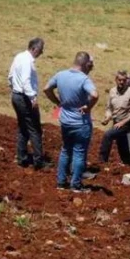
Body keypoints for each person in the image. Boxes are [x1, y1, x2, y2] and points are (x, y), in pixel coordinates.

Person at [43, 52, 98, 192]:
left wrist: (57, 102)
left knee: (66, 150)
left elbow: (46, 89)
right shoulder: (84, 79)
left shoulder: (60, 75)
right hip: (80, 122)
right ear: (85, 64)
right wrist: (88, 107)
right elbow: (95, 95)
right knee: (79, 152)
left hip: (65, 121)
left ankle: (61, 182)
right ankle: (76, 185)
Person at [8, 38, 46, 168]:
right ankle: (38, 161)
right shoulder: (27, 61)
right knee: (34, 129)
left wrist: (13, 88)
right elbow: (25, 81)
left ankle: (22, 157)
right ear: (34, 48)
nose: (41, 53)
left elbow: (11, 75)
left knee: (23, 127)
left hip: (16, 96)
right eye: (40, 50)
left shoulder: (19, 57)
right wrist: (32, 98)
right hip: (24, 98)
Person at [99, 70, 130, 165]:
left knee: (108, 135)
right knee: (122, 144)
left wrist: (123, 122)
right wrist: (107, 118)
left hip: (127, 123)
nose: (121, 82)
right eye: (119, 80)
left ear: (127, 81)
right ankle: (128, 162)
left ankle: (102, 161)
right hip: (116, 121)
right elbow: (109, 108)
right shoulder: (112, 91)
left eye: (124, 80)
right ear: (116, 80)